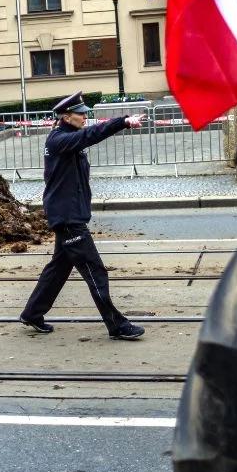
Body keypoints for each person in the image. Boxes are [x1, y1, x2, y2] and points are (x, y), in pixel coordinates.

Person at [20, 91, 147, 340]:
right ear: (67, 117)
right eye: (81, 115)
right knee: (95, 270)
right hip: (68, 219)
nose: (84, 118)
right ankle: (116, 325)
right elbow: (91, 135)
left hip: (69, 214)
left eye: (85, 114)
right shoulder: (60, 140)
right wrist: (121, 121)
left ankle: (32, 313)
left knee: (58, 269)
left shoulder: (68, 138)